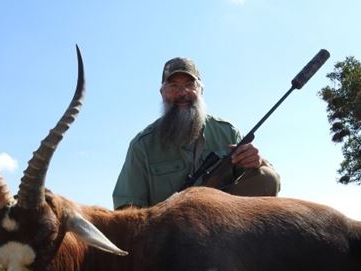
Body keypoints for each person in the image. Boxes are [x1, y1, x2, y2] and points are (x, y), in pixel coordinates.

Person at [112, 57, 281, 209]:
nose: (182, 93)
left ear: (201, 90)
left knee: (267, 177)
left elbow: (267, 181)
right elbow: (127, 206)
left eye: (189, 85)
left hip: (224, 223)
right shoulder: (142, 145)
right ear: (162, 93)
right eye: (173, 86)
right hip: (168, 231)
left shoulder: (227, 132)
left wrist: (258, 161)